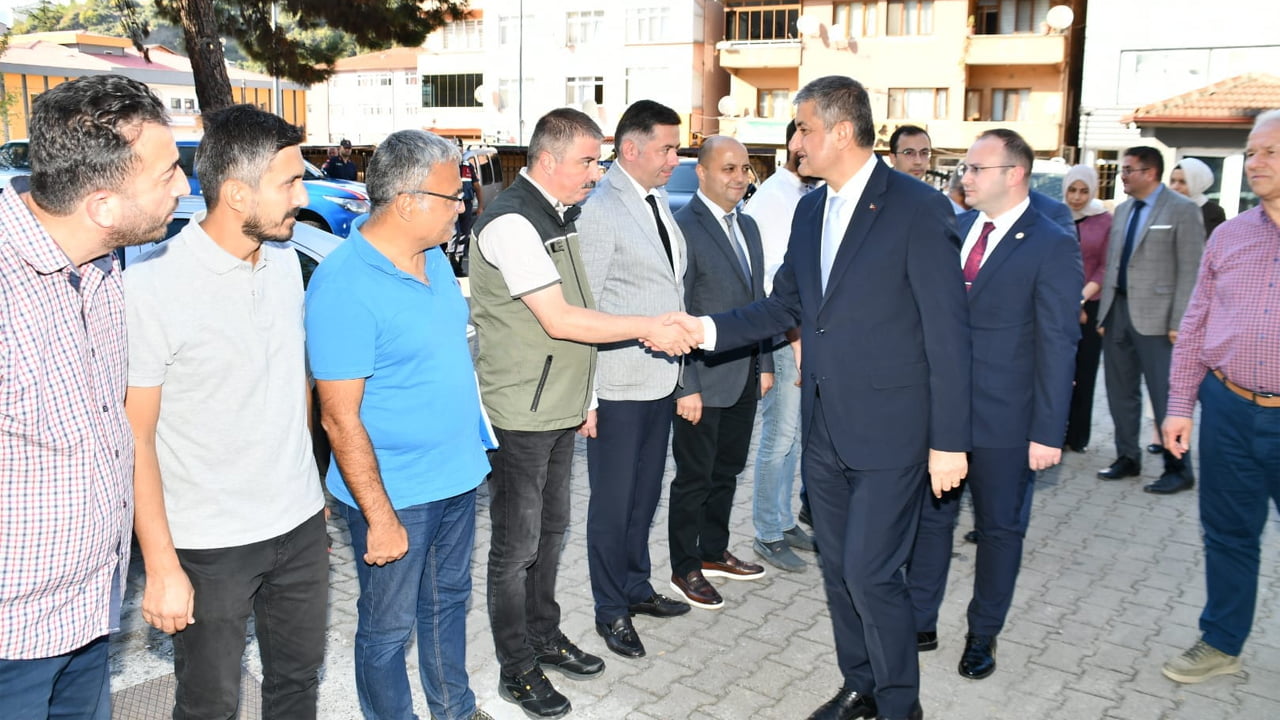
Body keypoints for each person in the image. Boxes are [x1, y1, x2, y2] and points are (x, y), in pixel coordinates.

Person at [679, 75, 971, 720]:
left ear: (842, 131)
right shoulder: (812, 207)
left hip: (895, 429)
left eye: (803, 127)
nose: (795, 140)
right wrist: (705, 331)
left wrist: (950, 440)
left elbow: (950, 334)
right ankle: (860, 685)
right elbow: (786, 303)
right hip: (825, 427)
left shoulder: (917, 209)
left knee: (871, 573)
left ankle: (901, 705)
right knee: (839, 572)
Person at [470, 108, 695, 719]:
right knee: (515, 549)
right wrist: (650, 327)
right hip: (521, 408)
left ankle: (543, 635)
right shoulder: (513, 221)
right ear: (547, 160)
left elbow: (581, 306)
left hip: (560, 404)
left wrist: (588, 399)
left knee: (550, 533)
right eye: (587, 161)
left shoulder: (558, 215)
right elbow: (562, 319)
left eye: (598, 161)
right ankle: (516, 666)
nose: (596, 173)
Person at [122, 105, 328, 719]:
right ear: (237, 194)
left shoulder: (286, 261)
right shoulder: (154, 287)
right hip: (208, 544)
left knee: (296, 685)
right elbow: (135, 437)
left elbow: (297, 387)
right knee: (210, 704)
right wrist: (160, 565)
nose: (303, 195)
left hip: (299, 524)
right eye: (289, 182)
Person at [0, 73, 187, 719]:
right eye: (166, 175)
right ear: (103, 204)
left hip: (87, 617)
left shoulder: (104, 266)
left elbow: (115, 431)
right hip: (10, 645)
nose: (184, 188)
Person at [306, 130, 494, 720]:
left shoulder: (434, 258)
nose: (461, 205)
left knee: (447, 605)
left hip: (458, 478)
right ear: (409, 200)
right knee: (387, 629)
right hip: (396, 495)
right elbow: (338, 417)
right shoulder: (344, 284)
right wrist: (381, 517)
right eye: (451, 195)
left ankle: (454, 710)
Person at [907, 129, 1081, 681]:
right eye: (965, 168)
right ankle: (919, 620)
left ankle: (983, 634)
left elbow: (1058, 343)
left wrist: (1049, 432)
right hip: (941, 414)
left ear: (1014, 174)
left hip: (1008, 420)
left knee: (1000, 530)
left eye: (978, 168)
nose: (965, 177)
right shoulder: (954, 227)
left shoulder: (1052, 242)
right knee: (932, 522)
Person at [1160, 108, 1280, 686]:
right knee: (1228, 532)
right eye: (1252, 152)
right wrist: (1180, 406)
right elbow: (1197, 325)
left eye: (1271, 152)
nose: (1256, 163)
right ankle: (1222, 640)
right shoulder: (1230, 235)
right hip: (1228, 408)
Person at [577, 100, 696, 659]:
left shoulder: (659, 200)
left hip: (658, 380)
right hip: (618, 385)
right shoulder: (601, 209)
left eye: (677, 147)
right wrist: (590, 395)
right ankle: (609, 609)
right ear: (630, 149)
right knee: (612, 502)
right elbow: (587, 304)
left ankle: (635, 585)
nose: (675, 158)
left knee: (644, 496)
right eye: (667, 148)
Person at [666, 135, 771, 608]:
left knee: (727, 471)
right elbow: (676, 308)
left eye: (744, 169)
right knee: (695, 477)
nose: (738, 178)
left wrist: (764, 361)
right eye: (727, 168)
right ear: (703, 173)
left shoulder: (748, 227)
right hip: (701, 383)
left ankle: (712, 551)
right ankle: (684, 568)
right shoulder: (683, 228)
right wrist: (684, 383)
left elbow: (758, 304)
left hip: (744, 374)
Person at [1096, 146, 1205, 494]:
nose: (1122, 176)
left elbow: (1191, 270)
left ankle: (1178, 467)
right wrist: (1105, 313)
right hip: (1118, 313)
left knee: (1165, 396)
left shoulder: (1182, 210)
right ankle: (1127, 457)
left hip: (1160, 321)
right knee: (1119, 392)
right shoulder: (1124, 209)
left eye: (1128, 170)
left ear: (1150, 173)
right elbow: (1113, 264)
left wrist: (1180, 321)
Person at [743, 121, 819, 572]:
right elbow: (773, 281)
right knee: (779, 435)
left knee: (793, 438)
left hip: (803, 334)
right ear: (794, 143)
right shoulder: (775, 197)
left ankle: (783, 520)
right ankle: (767, 533)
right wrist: (794, 339)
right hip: (787, 335)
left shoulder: (803, 194)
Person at [1062, 164, 1113, 453]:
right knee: (1057, 372)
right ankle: (1054, 429)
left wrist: (1080, 300)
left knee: (1085, 371)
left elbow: (1107, 266)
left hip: (1090, 306)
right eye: (1072, 189)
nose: (1078, 197)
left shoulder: (1104, 220)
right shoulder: (1055, 216)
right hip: (1057, 304)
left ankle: (1077, 435)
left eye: (1084, 190)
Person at [1171, 157, 1227, 238]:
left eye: (1182, 182)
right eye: (1172, 181)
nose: (1175, 187)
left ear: (1197, 183)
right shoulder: (1164, 208)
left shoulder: (1213, 213)